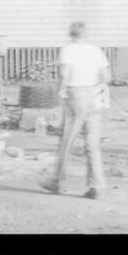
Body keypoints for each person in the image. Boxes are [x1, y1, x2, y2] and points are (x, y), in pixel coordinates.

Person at [41, 22, 110, 199]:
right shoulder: (95, 50)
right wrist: (97, 88)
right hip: (94, 95)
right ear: (85, 34)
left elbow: (63, 74)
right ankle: (97, 186)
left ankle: (57, 181)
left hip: (76, 95)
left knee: (68, 140)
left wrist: (59, 92)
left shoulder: (68, 50)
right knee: (92, 143)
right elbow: (106, 77)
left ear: (70, 34)